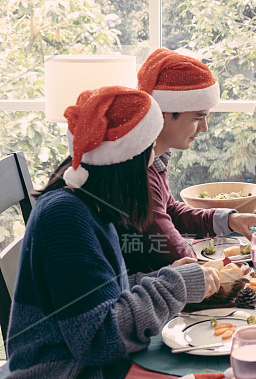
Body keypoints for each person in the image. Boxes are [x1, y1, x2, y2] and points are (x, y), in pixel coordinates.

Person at [3, 87, 219, 378]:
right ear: (128, 163)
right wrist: (176, 285)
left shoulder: (92, 203)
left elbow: (105, 292)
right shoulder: (65, 217)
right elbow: (97, 338)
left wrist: (162, 277)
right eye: (150, 152)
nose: (153, 162)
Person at [120, 48, 256, 273]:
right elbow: (176, 253)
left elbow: (170, 210)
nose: (204, 128)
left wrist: (229, 220)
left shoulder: (155, 157)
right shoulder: (138, 172)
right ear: (163, 114)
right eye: (198, 117)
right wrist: (227, 265)